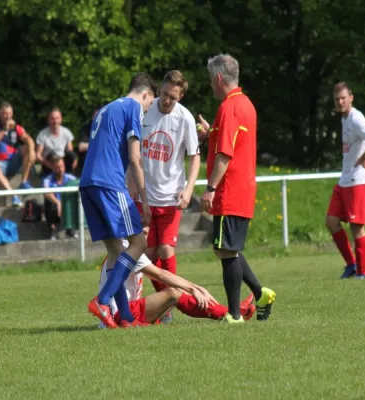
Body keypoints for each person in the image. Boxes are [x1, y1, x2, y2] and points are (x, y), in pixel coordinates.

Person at [197, 54, 276, 324]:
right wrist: (211, 134)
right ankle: (260, 293)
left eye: (210, 80)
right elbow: (233, 142)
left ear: (219, 78)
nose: (210, 85)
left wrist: (210, 188)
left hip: (229, 190)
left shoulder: (229, 107)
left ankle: (234, 314)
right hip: (242, 189)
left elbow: (225, 155)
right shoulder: (246, 104)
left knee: (227, 251)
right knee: (226, 248)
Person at [80, 72, 157, 329]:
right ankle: (103, 301)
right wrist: (145, 201)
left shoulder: (106, 109)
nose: (146, 110)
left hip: (88, 184)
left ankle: (124, 317)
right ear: (145, 94)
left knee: (115, 252)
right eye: (149, 104)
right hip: (109, 183)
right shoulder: (133, 107)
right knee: (139, 242)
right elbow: (135, 158)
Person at [130, 70, 200, 310]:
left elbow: (195, 157)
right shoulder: (145, 112)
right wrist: (133, 190)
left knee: (166, 249)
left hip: (171, 198)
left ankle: (169, 303)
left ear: (180, 97)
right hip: (145, 196)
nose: (167, 100)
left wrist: (189, 189)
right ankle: (160, 302)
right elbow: (135, 155)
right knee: (146, 253)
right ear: (159, 89)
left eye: (173, 97)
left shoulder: (185, 119)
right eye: (165, 94)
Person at [98, 239, 256, 327]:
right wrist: (195, 288)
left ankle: (230, 312)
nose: (146, 233)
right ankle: (230, 313)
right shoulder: (130, 249)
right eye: (143, 229)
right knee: (173, 293)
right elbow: (160, 274)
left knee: (177, 294)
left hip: (124, 314)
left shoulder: (125, 248)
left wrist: (191, 288)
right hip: (119, 317)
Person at [325, 82, 365, 279]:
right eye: (337, 99)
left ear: (351, 97)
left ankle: (363, 272)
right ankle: (351, 264)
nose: (340, 102)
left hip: (359, 180)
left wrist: (363, 156)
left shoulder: (356, 118)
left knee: (357, 227)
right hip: (345, 179)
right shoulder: (345, 119)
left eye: (343, 98)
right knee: (331, 221)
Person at [0, 102, 36, 207]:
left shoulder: (16, 127)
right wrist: (5, 129)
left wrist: (32, 150)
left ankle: (24, 182)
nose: (8, 116)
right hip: (0, 163)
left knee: (27, 148)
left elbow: (28, 139)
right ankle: (13, 195)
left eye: (10, 114)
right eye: (5, 114)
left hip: (13, 161)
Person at [42, 156, 78, 240]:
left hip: (69, 208)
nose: (61, 169)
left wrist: (64, 205)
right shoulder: (47, 180)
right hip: (55, 209)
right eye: (58, 167)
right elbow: (46, 193)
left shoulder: (71, 178)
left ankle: (70, 228)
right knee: (48, 202)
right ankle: (53, 229)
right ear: (53, 168)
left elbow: (80, 188)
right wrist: (58, 202)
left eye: (62, 166)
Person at [36, 107, 77, 176]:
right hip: (49, 163)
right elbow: (38, 155)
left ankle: (68, 176)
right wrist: (49, 165)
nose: (55, 121)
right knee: (51, 155)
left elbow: (70, 151)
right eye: (52, 119)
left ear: (61, 119)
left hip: (62, 162)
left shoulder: (66, 132)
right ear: (48, 120)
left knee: (71, 155)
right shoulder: (42, 134)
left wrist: (74, 160)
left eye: (57, 118)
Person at [75, 108, 98, 175]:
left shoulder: (108, 128)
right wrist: (99, 145)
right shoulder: (86, 128)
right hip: (86, 164)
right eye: (96, 116)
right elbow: (81, 147)